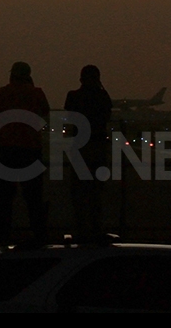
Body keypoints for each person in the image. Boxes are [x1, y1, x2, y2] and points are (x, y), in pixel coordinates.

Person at [0, 61, 50, 245]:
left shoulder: (1, 93)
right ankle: (38, 235)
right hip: (30, 148)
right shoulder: (36, 94)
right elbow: (44, 113)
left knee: (5, 199)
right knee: (33, 198)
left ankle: (2, 237)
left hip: (4, 147)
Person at [64, 64, 112, 239]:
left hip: (79, 147)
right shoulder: (102, 96)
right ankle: (96, 228)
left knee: (79, 191)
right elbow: (108, 114)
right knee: (96, 191)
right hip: (97, 146)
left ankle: (80, 228)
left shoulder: (73, 96)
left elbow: (69, 114)